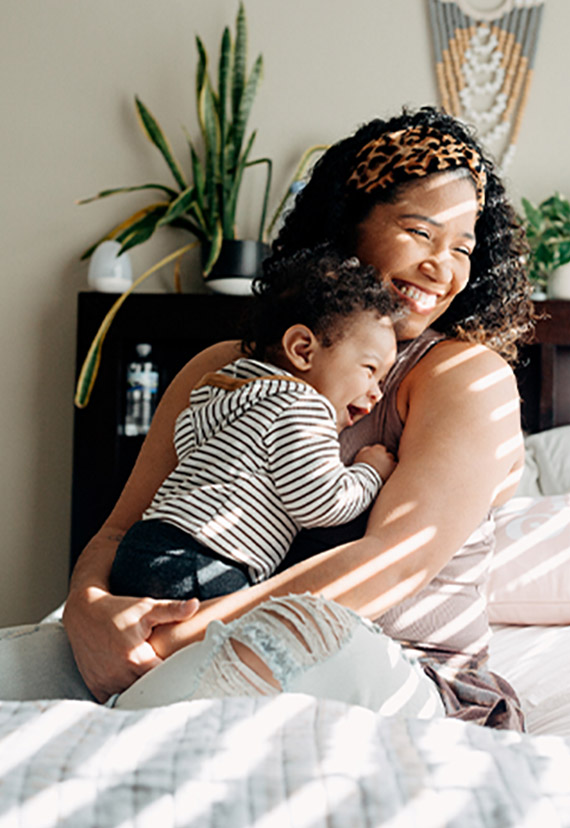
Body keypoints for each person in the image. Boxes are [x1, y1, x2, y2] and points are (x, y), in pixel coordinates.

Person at [5, 106, 535, 725]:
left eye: (461, 248)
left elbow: (389, 564)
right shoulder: (224, 367)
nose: (442, 268)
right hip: (181, 639)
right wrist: (87, 610)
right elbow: (122, 531)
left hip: (399, 672)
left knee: (300, 625)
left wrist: (171, 640)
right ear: (349, 224)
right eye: (420, 232)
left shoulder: (466, 378)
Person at [109, 247, 400, 601]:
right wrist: (369, 472)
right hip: (207, 558)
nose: (377, 393)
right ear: (302, 349)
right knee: (230, 641)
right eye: (370, 371)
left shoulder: (225, 386)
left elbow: (186, 436)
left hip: (143, 546)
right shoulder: (303, 405)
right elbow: (322, 501)